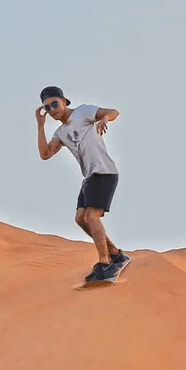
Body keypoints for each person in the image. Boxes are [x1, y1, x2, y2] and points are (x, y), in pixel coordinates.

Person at [36, 85, 125, 281]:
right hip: (90, 177)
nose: (52, 110)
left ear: (64, 100)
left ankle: (105, 263)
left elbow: (113, 111)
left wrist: (104, 118)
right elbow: (45, 154)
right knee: (80, 219)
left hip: (104, 171)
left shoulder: (83, 112)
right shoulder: (60, 133)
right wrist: (40, 125)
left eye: (54, 104)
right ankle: (116, 254)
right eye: (47, 107)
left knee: (92, 217)